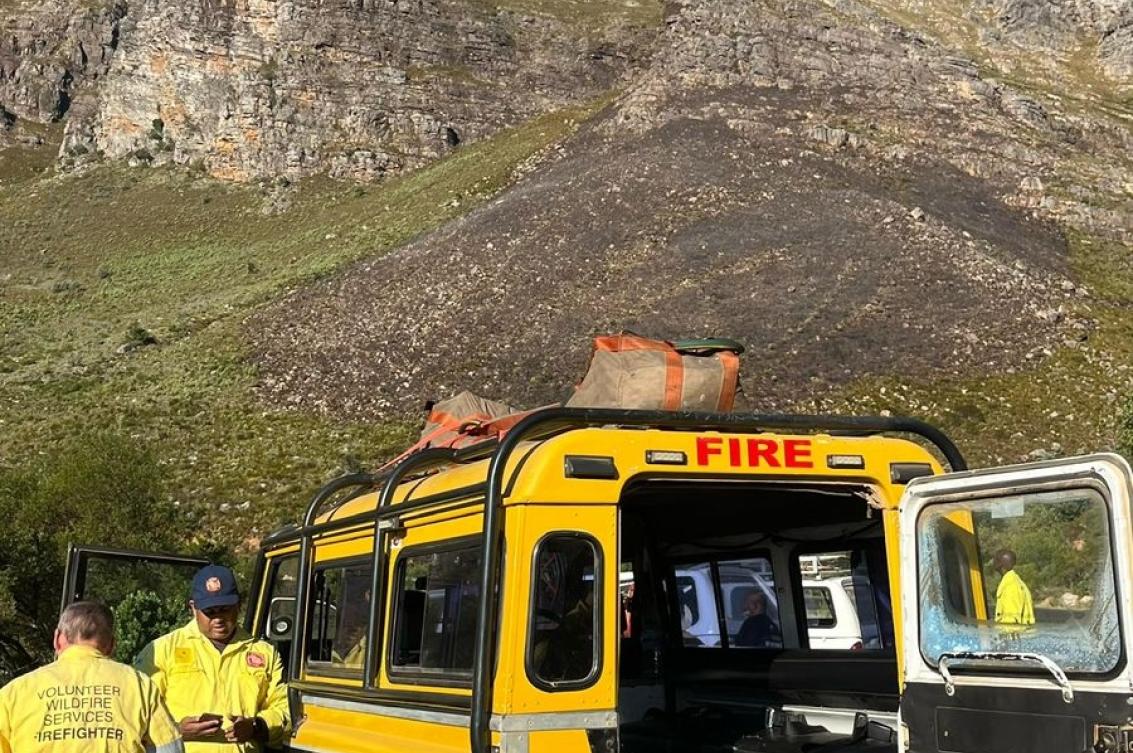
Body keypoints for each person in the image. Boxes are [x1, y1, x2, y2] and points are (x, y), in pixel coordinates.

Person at [134, 565, 288, 752]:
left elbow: (284, 709)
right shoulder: (160, 650)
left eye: (225, 609)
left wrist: (256, 727)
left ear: (239, 605)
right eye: (210, 612)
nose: (218, 618)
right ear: (193, 608)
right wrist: (176, 730)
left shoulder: (265, 653)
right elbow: (136, 712)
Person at [0, 601, 183, 753]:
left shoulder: (14, 693)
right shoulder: (139, 684)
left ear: (57, 638)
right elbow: (169, 748)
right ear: (111, 645)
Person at [994, 549, 1035, 626]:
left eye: (996, 560)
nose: (993, 562)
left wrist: (1005, 637)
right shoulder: (1018, 582)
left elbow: (1010, 621)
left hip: (1014, 636)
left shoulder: (1010, 585)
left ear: (1001, 564)